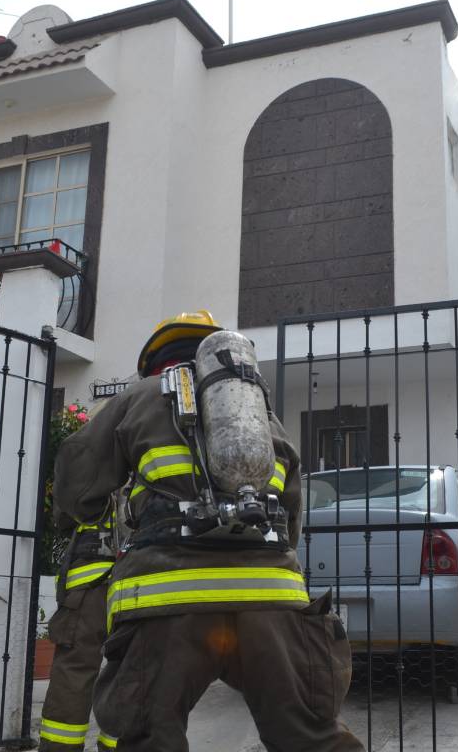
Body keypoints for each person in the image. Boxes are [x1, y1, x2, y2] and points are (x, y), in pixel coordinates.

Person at [54, 310, 363, 752]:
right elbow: (291, 518)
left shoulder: (137, 398)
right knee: (310, 736)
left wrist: (87, 512)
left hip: (169, 606)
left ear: (155, 358)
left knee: (149, 737)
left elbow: (78, 478)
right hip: (270, 605)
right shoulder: (263, 420)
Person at [38, 505, 119, 751]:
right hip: (145, 576)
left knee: (74, 671)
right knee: (135, 671)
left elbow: (64, 512)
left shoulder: (87, 468)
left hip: (90, 581)